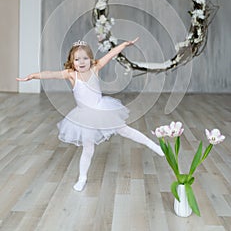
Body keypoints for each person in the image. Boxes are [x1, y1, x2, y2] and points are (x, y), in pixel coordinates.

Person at [17, 38, 164, 192]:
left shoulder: (95, 68)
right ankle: (82, 178)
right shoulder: (71, 75)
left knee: (124, 130)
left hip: (102, 110)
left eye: (85, 58)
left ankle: (152, 145)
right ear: (72, 61)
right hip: (84, 117)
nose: (81, 62)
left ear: (91, 59)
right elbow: (50, 74)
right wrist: (33, 75)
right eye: (77, 59)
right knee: (88, 149)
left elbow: (111, 53)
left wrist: (124, 45)